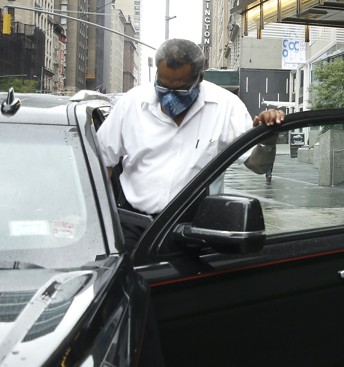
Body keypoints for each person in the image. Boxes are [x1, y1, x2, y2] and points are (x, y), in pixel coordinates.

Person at [97, 38, 284, 249]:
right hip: (134, 226)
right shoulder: (131, 104)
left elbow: (258, 165)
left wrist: (267, 137)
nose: (169, 97)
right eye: (163, 87)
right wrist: (101, 215)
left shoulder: (226, 107)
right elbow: (103, 163)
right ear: (157, 74)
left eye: (180, 90)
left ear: (199, 78)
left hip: (193, 231)